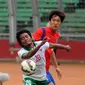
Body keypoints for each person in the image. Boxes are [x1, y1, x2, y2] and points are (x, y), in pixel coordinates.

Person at [32, 9, 65, 85]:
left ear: (60, 23)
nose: (55, 23)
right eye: (53, 20)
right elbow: (30, 43)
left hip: (46, 70)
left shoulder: (57, 36)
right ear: (50, 21)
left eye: (58, 21)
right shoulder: (42, 31)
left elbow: (51, 51)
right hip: (37, 70)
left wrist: (56, 67)